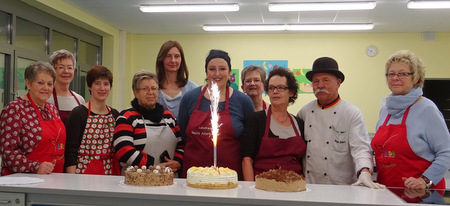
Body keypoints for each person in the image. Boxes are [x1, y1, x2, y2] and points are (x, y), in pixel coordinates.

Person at [297, 57, 383, 188]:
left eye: (326, 80)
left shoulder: (351, 113)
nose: (320, 85)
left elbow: (360, 148)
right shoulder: (305, 112)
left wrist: (365, 172)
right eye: (316, 81)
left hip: (342, 187)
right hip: (310, 186)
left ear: (338, 83)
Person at [372, 50, 450, 190]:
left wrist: (425, 180)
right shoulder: (386, 110)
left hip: (421, 194)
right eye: (391, 73)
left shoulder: (426, 109)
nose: (395, 78)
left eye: (402, 74)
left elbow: (446, 152)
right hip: (387, 191)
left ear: (415, 78)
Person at [178, 49, 254, 179]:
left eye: (222, 69)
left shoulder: (243, 101)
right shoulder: (190, 98)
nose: (217, 74)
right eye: (212, 69)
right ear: (206, 72)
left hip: (230, 177)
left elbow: (250, 141)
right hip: (193, 176)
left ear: (229, 72)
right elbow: (183, 134)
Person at [0, 61, 65, 175]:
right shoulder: (14, 109)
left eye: (50, 84)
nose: (46, 88)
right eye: (40, 83)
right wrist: (35, 167)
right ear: (28, 83)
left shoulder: (52, 109)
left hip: (55, 177)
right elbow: (7, 151)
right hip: (24, 180)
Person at [241, 68, 306, 181]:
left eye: (281, 87)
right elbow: (247, 160)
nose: (275, 91)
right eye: (271, 88)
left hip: (294, 187)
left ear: (291, 92)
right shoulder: (257, 120)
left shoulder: (299, 123)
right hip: (263, 187)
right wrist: (250, 190)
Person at [113, 71, 183, 174]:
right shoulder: (127, 117)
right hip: (137, 181)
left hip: (169, 179)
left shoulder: (169, 117)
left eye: (154, 88)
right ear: (136, 93)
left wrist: (177, 162)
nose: (150, 92)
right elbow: (123, 149)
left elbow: (181, 144)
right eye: (145, 89)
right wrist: (152, 167)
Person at [64, 65, 120, 175]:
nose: (102, 88)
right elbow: (70, 149)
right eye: (97, 83)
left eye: (106, 84)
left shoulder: (115, 114)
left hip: (110, 173)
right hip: (83, 173)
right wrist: (71, 180)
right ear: (90, 86)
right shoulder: (78, 113)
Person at [156, 40, 197, 119]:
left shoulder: (192, 88)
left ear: (181, 60)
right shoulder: (153, 87)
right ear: (161, 59)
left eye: (177, 56)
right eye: (168, 56)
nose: (173, 60)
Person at [48, 49, 86, 123]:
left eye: (69, 68)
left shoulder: (80, 100)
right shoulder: (46, 98)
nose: (66, 71)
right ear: (52, 70)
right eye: (61, 67)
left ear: (74, 71)